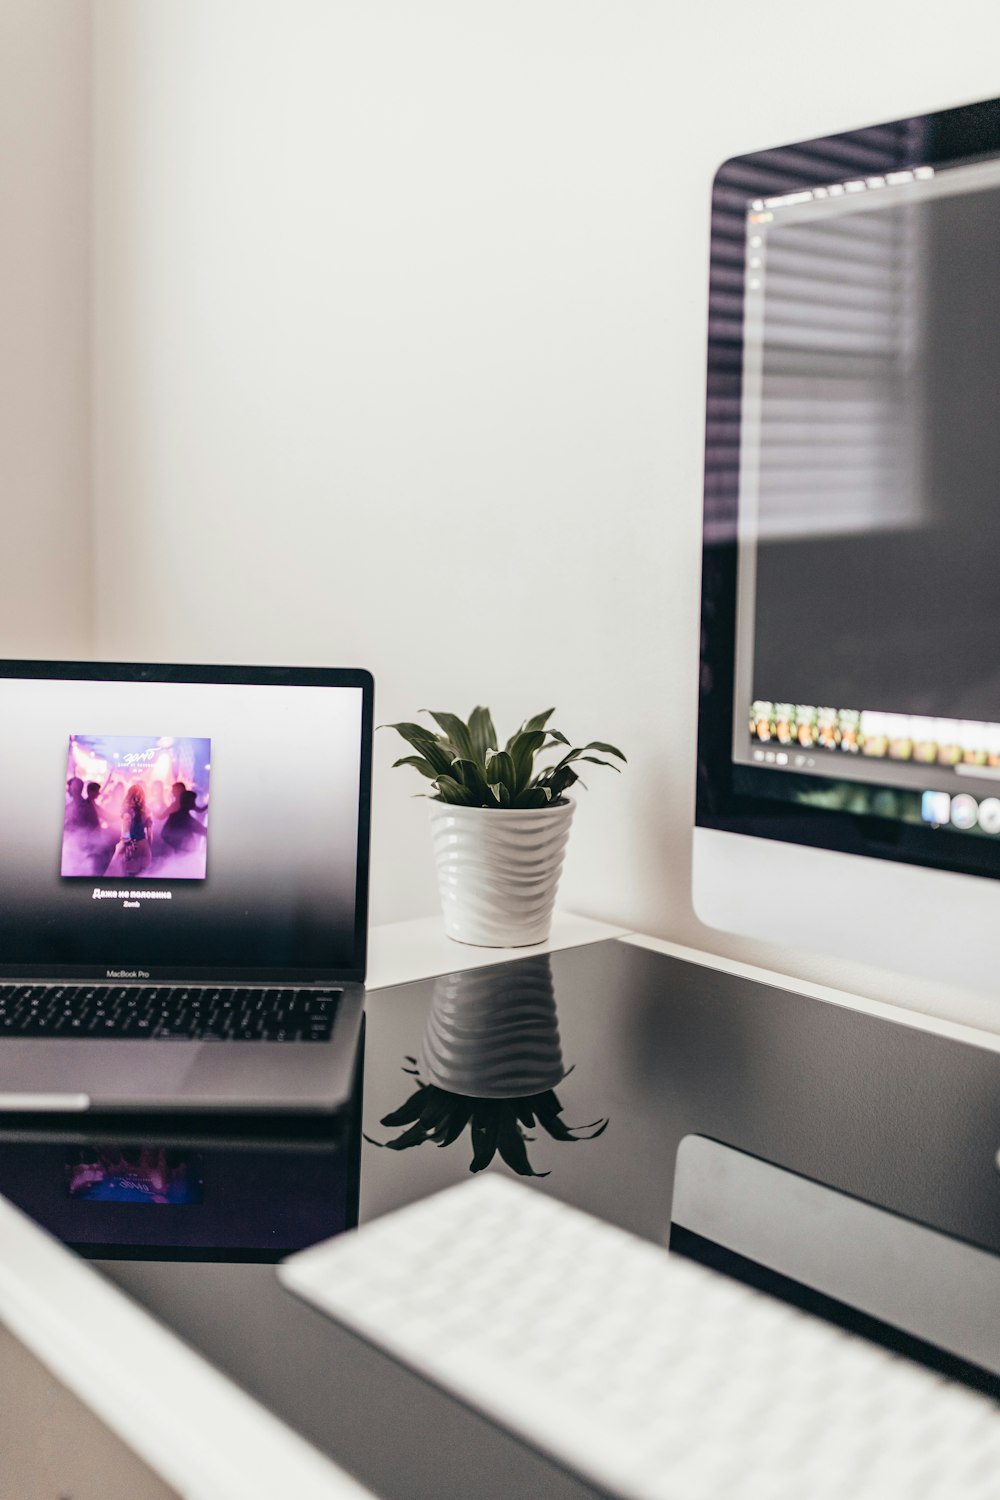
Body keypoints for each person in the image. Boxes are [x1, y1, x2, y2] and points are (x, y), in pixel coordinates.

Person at [105, 784, 154, 877]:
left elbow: (126, 833)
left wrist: (125, 844)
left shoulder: (128, 811)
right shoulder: (147, 811)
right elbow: (150, 835)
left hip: (132, 846)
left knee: (118, 875)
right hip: (144, 846)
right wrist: (147, 846)